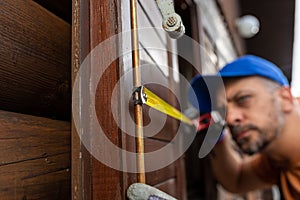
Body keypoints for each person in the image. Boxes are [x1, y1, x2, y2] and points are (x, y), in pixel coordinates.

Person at [188, 54, 300, 199]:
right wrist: (216, 135)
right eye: (222, 111)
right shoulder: (278, 158)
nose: (229, 118)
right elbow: (237, 180)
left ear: (285, 98)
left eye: (243, 99)